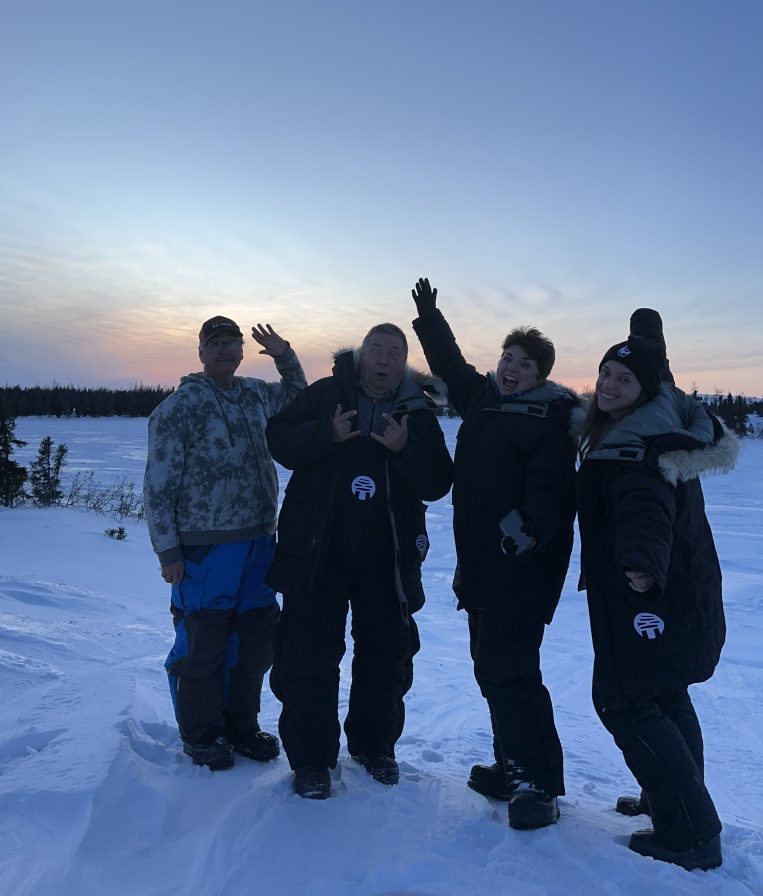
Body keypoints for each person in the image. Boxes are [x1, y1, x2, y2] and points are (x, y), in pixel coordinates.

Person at [411, 279, 581, 830]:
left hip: (522, 566)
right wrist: (430, 319)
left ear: (542, 374)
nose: (511, 368)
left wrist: (521, 531)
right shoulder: (485, 400)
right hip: (481, 564)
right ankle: (512, 765)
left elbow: (554, 494)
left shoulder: (551, 419)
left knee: (510, 670)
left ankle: (539, 784)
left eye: (525, 363)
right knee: (491, 668)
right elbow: (452, 365)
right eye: (507, 357)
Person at [264, 323, 453, 799]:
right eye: (377, 349)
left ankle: (373, 747)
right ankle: (311, 760)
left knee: (386, 656)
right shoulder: (328, 393)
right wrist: (324, 434)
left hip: (386, 556)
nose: (384, 359)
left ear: (404, 361)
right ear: (362, 354)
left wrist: (405, 449)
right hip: (317, 549)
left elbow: (438, 481)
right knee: (309, 654)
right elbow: (279, 439)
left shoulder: (417, 410)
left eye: (394, 352)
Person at [576, 324, 738, 870]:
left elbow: (646, 505)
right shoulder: (655, 420)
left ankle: (690, 832)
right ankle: (669, 795)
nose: (609, 385)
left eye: (624, 378)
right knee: (664, 691)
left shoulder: (636, 443)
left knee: (622, 700)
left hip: (647, 594)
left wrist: (641, 564)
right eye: (605, 373)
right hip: (680, 592)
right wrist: (645, 339)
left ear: (647, 390)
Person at [144, 315, 307, 770]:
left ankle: (241, 726)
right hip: (205, 549)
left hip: (258, 541)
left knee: (254, 641)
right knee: (202, 641)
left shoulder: (255, 393)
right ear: (200, 352)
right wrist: (168, 550)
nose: (225, 351)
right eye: (214, 344)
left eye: (231, 343)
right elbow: (158, 484)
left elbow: (298, 399)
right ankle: (202, 734)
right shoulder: (180, 407)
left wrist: (285, 357)